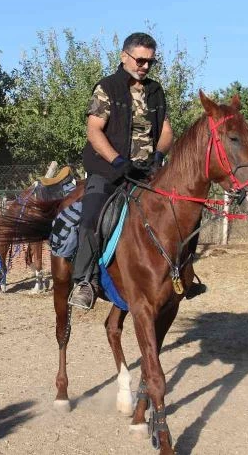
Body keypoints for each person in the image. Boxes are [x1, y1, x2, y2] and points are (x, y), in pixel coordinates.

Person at [68, 32, 174, 310]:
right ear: (124, 56)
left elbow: (165, 131)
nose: (145, 66)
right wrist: (117, 161)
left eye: (151, 62)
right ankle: (84, 281)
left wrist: (159, 155)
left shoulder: (155, 91)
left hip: (147, 173)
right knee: (90, 219)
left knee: (177, 212)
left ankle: (182, 272)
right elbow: (94, 131)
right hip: (108, 171)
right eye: (140, 60)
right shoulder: (107, 87)